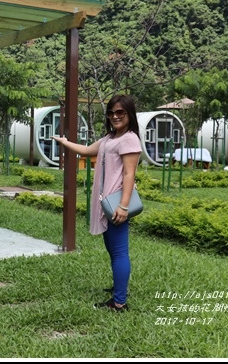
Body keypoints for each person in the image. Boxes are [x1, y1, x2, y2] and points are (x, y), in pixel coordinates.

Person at [53, 94, 141, 312]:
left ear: (129, 113)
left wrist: (123, 206)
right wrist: (65, 142)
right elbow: (86, 151)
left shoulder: (129, 139)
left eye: (120, 112)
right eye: (111, 113)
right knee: (112, 249)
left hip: (116, 202)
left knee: (119, 251)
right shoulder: (110, 139)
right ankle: (118, 287)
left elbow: (129, 174)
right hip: (106, 202)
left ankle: (119, 302)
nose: (115, 116)